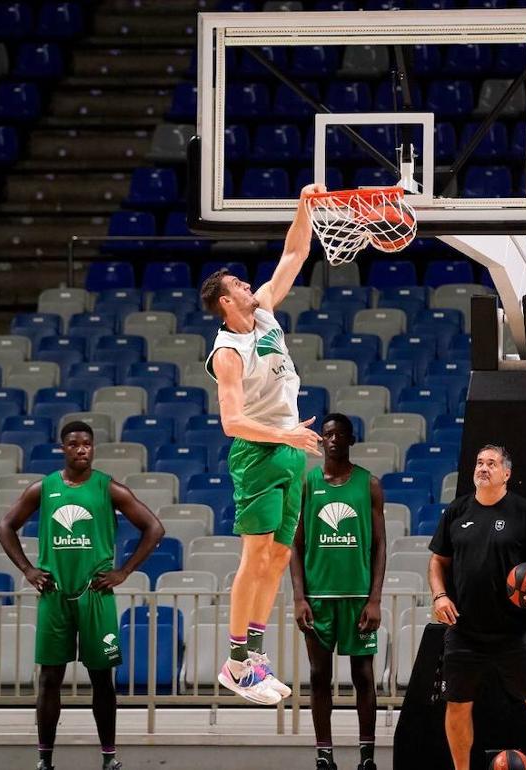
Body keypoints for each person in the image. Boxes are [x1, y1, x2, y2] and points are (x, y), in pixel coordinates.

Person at [201, 182, 326, 704]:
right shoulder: (227, 350)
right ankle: (233, 665)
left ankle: (253, 657)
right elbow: (232, 422)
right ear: (226, 302)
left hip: (289, 449)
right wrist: (284, 434)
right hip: (259, 451)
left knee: (277, 559)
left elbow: (295, 251)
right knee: (253, 559)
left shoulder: (267, 311)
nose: (251, 283)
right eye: (239, 282)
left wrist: (303, 205)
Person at [0, 420, 165, 770]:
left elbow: (154, 528)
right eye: (74, 444)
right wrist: (28, 569)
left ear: (93, 447)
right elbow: (4, 527)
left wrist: (124, 571)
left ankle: (108, 757)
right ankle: (44, 759)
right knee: (49, 678)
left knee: (102, 678)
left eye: (86, 444)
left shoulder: (109, 488)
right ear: (64, 448)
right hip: (54, 594)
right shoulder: (43, 489)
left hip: (95, 595)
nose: (81, 449)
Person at [428, 445, 526, 770]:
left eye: (491, 463)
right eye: (479, 462)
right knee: (457, 706)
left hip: (515, 632)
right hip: (464, 630)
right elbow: (437, 562)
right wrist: (440, 596)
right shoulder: (456, 511)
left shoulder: (524, 512)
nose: (483, 467)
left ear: (506, 473)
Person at [289, 413, 386, 770]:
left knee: (363, 675)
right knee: (318, 676)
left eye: (339, 434)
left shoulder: (369, 484)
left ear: (350, 440)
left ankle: (366, 757)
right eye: (327, 434)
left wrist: (375, 599)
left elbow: (380, 547)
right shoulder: (306, 484)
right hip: (318, 598)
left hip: (358, 598)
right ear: (320, 440)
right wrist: (299, 598)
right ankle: (324, 754)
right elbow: (294, 547)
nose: (331, 439)